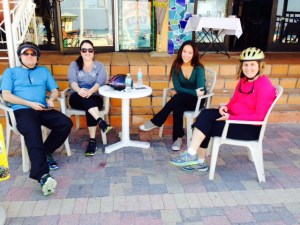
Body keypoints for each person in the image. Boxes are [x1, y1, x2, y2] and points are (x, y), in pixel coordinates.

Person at [170, 47, 276, 172]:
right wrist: (225, 107)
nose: (248, 68)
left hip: (248, 128)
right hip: (233, 119)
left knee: (206, 125)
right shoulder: (243, 81)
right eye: (245, 65)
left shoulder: (264, 86)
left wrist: (232, 117)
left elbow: (259, 117)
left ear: (260, 66)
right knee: (205, 114)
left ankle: (195, 158)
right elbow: (233, 102)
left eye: (252, 64)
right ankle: (195, 158)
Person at [0, 42, 73, 195]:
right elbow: (6, 95)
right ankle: (43, 176)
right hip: (23, 110)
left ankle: (45, 151)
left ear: (37, 57)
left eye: (33, 54)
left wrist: (51, 99)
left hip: (42, 108)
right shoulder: (10, 72)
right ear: (20, 56)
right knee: (33, 132)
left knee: (65, 123)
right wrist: (29, 104)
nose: (29, 56)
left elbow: (54, 90)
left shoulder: (43, 71)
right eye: (26, 53)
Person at [139, 40, 206, 151]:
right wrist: (193, 91)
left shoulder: (199, 68)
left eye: (190, 52)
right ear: (180, 52)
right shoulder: (176, 66)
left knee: (177, 98)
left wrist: (194, 93)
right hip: (182, 99)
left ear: (194, 54)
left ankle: (157, 121)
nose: (186, 55)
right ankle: (177, 138)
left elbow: (201, 92)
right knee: (177, 104)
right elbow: (178, 88)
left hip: (197, 101)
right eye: (184, 51)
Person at [68, 40, 112, 156]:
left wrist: (91, 91)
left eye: (90, 50)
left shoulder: (99, 66)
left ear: (93, 51)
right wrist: (79, 90)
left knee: (90, 104)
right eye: (84, 50)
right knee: (87, 102)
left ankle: (93, 139)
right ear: (80, 52)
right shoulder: (74, 65)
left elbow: (100, 82)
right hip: (76, 96)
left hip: (94, 96)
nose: (87, 52)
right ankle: (100, 123)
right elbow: (72, 81)